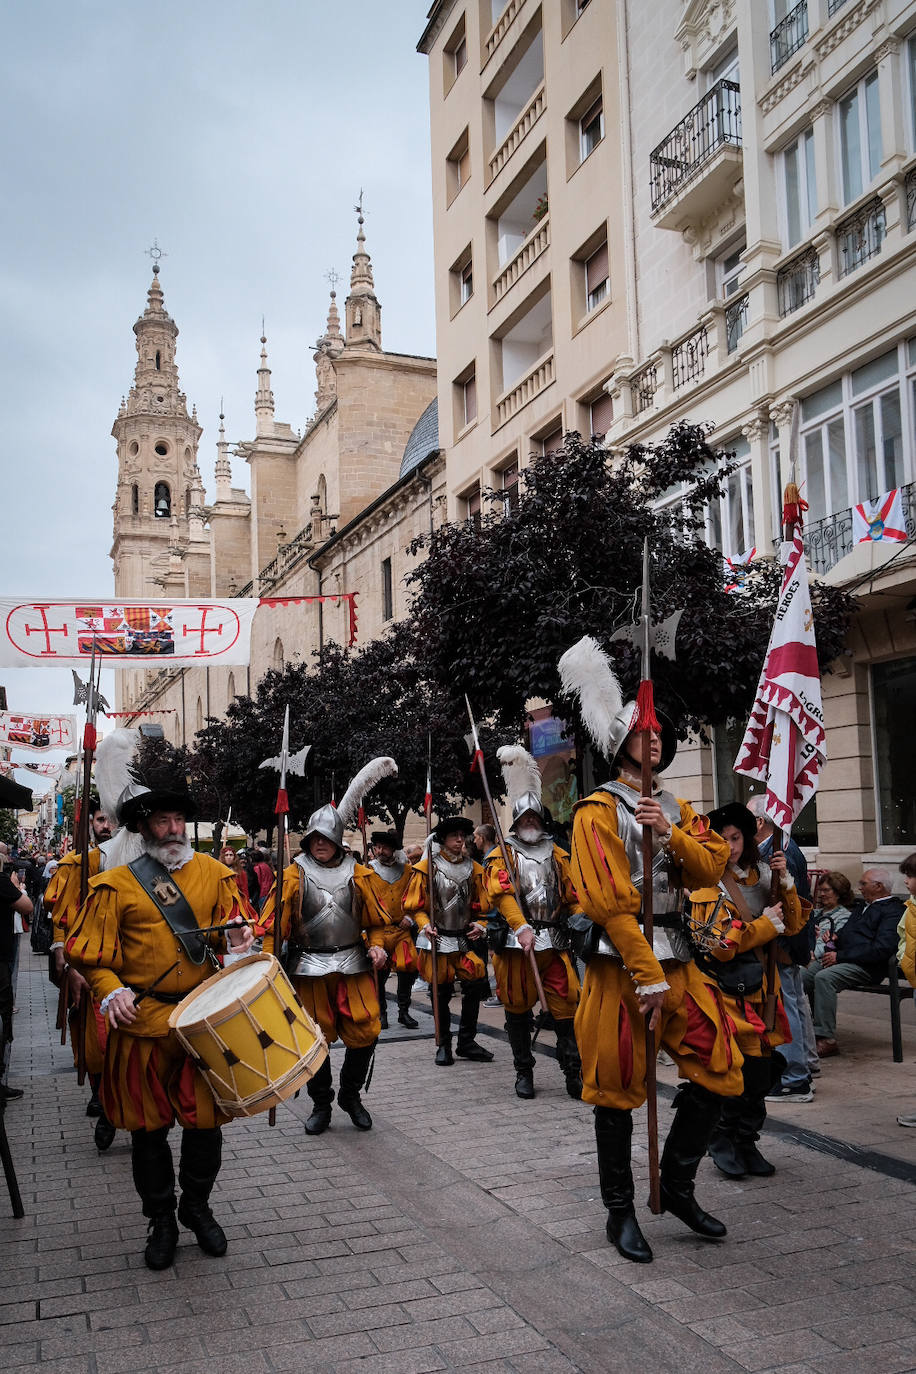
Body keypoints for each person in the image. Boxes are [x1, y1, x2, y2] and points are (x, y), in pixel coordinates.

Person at [560, 635, 743, 1265]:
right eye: (643, 732)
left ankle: (678, 1185)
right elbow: (610, 905)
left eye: (659, 730)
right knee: (616, 1091)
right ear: (619, 745)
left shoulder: (676, 806)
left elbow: (711, 868)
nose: (656, 737)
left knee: (721, 1068)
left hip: (681, 963)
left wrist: (671, 833)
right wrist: (646, 976)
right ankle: (620, 1213)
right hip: (622, 972)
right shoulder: (594, 813)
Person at [66, 774, 254, 1270]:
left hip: (198, 1020)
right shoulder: (115, 885)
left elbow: (230, 942)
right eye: (162, 822)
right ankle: (161, 1219)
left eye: (178, 821)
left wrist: (237, 943)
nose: (173, 830)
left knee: (206, 1125)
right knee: (148, 1132)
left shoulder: (217, 875)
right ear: (145, 829)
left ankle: (196, 1207)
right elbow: (87, 955)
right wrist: (111, 991)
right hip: (143, 1023)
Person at [261, 761, 394, 1135]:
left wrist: (380, 947)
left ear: (337, 840)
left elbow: (378, 923)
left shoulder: (360, 874)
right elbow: (273, 926)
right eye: (314, 838)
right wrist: (265, 947)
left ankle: (350, 1096)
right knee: (314, 1038)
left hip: (353, 963)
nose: (320, 843)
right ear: (306, 841)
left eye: (326, 838)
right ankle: (321, 1103)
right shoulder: (292, 876)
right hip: (308, 968)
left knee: (366, 1031)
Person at [699, 802, 808, 1179]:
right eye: (722, 838)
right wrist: (764, 927)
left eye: (736, 837)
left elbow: (791, 927)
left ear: (746, 838)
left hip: (764, 987)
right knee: (735, 1068)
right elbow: (718, 945)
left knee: (762, 1071)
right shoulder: (704, 882)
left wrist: (787, 884)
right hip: (724, 991)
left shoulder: (763, 875)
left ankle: (747, 1139)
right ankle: (722, 1137)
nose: (729, 845)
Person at [484, 745, 582, 1100]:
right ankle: (523, 1072)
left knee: (566, 1007)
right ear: (516, 822)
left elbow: (572, 896)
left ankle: (574, 1072)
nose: (529, 823)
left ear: (541, 820)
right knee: (517, 1010)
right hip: (516, 945)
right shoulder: (502, 854)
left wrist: (582, 921)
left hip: (554, 943)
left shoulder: (559, 853)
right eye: (523, 819)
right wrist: (520, 926)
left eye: (534, 818)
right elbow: (501, 893)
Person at [45, 799, 117, 1146]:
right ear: (91, 823)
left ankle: (119, 1106)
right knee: (94, 1044)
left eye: (113, 821)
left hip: (130, 969)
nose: (108, 826)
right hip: (88, 965)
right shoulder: (77, 865)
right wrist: (63, 953)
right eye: (102, 820)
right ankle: (102, 1097)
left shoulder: (140, 864)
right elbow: (63, 916)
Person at [404, 816, 494, 1067]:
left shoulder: (475, 869)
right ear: (443, 839)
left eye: (462, 835)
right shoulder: (426, 868)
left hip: (465, 940)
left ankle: (466, 1041)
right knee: (440, 993)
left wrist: (482, 925)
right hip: (438, 939)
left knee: (475, 987)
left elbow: (483, 908)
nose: (459, 839)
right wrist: (424, 925)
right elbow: (415, 907)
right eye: (453, 835)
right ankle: (443, 1044)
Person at [746, 796, 818, 1099]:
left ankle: (794, 1076)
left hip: (785, 940)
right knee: (795, 1002)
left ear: (760, 823)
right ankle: (805, 1063)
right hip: (788, 940)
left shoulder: (781, 851)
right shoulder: (775, 848)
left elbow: (793, 904)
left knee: (786, 1005)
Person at [802, 867, 905, 1056]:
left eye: (864, 884)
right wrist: (835, 937)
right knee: (802, 976)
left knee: (825, 977)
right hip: (844, 958)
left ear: (878, 886)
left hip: (867, 966)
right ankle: (805, 1029)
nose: (860, 887)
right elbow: (850, 932)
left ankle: (826, 1038)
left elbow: (882, 949)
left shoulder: (893, 911)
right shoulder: (862, 906)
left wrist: (840, 956)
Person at [363, 830, 418, 1029]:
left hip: (401, 929)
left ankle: (404, 1011)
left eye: (384, 847)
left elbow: (417, 897)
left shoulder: (408, 871)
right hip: (379, 931)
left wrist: (410, 918)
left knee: (408, 967)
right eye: (377, 847)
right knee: (380, 973)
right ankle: (381, 1013)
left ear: (393, 849)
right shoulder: (366, 871)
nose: (380, 851)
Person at [0, 846, 33, 1100]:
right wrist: (16, 886)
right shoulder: (2, 882)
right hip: (1, 958)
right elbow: (27, 906)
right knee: (2, 1015)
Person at [894, 855, 916, 1127]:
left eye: (910, 876)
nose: (906, 881)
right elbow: (903, 938)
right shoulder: (910, 907)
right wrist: (904, 960)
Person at [810, 872, 854, 960]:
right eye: (820, 890)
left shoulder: (845, 917)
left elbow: (831, 944)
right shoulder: (814, 913)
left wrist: (809, 954)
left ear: (838, 893)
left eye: (826, 890)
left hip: (818, 959)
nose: (822, 894)